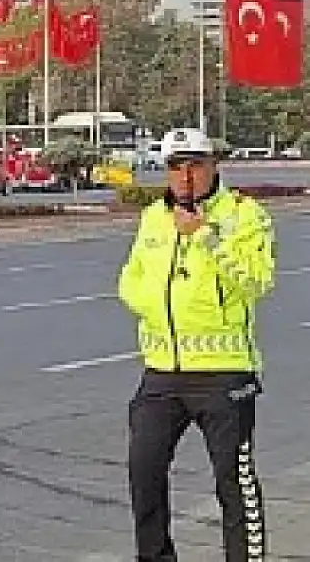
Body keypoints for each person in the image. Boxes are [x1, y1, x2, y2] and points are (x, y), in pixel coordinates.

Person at [118, 127, 275, 562]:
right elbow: (131, 280)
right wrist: (151, 307)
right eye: (175, 166)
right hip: (163, 371)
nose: (186, 176)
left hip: (224, 372)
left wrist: (206, 236)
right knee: (143, 472)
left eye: (195, 165)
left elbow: (256, 281)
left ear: (213, 165)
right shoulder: (153, 217)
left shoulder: (245, 215)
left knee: (233, 482)